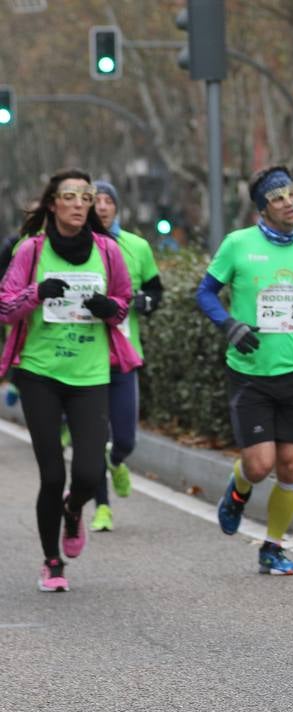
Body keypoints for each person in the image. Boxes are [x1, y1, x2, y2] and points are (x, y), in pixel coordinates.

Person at [195, 165, 293, 575]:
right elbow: (205, 293)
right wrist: (230, 326)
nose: (288, 203)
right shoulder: (238, 244)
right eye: (277, 197)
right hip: (249, 372)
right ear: (262, 208)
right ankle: (239, 489)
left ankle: (272, 546)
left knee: (290, 466)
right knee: (259, 465)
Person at [0, 170, 137, 591]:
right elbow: (5, 307)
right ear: (53, 204)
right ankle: (52, 562)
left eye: (86, 197)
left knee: (90, 473)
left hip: (91, 373)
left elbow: (124, 305)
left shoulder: (108, 251)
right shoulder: (31, 250)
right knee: (52, 475)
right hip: (39, 372)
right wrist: (37, 293)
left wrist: (106, 306)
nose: (79, 204)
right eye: (70, 196)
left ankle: (74, 511)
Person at [87, 180, 163, 532]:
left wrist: (148, 301)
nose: (102, 206)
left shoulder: (136, 246)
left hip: (125, 354)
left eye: (107, 201)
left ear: (116, 207)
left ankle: (118, 462)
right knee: (95, 437)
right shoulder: (76, 247)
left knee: (125, 439)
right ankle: (102, 507)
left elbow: (153, 288)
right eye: (95, 200)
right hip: (86, 356)